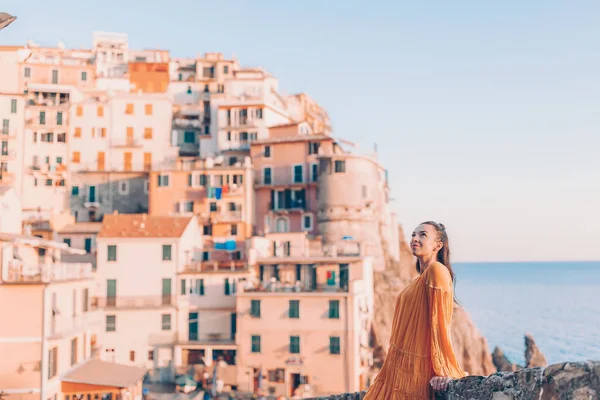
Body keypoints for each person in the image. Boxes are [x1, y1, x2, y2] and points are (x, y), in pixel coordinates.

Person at [363, 221, 466, 399]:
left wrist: (442, 369)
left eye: (422, 235)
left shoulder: (437, 271)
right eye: (413, 235)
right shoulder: (421, 278)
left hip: (416, 374)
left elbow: (439, 324)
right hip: (397, 370)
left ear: (437, 245)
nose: (415, 239)